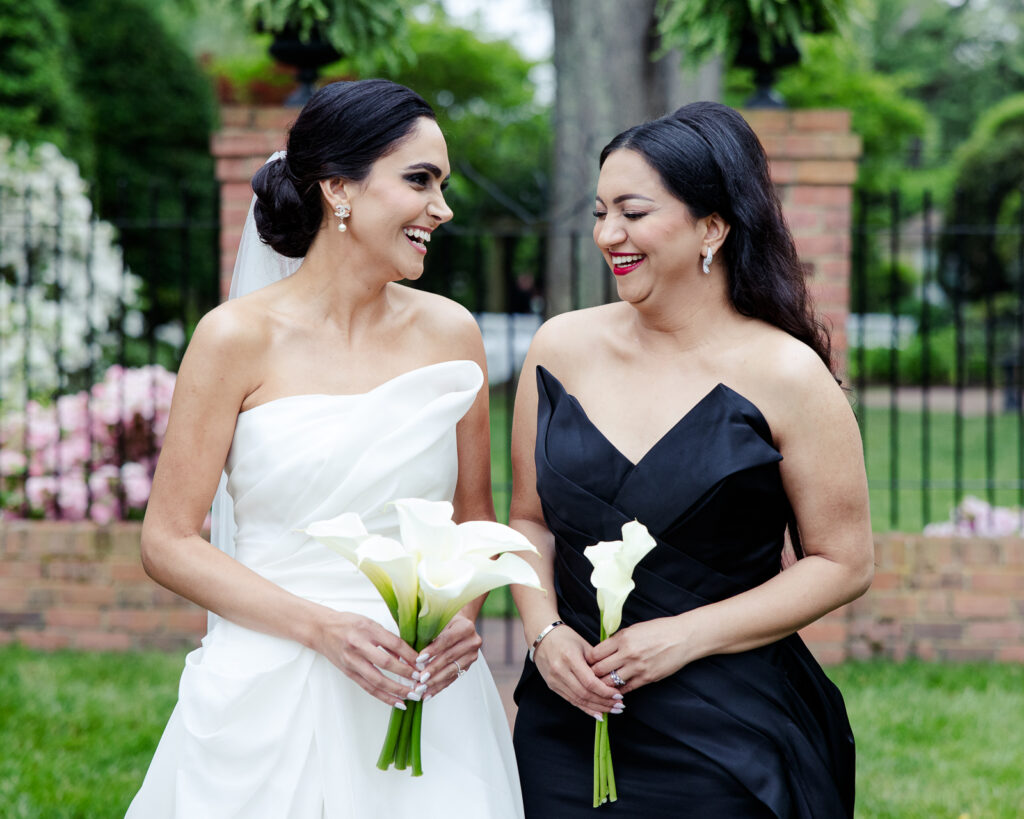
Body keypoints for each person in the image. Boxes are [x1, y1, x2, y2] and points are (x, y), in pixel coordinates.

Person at [127, 79, 523, 818]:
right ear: (338, 188)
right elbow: (168, 539)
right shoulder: (233, 338)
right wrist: (322, 628)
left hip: (424, 690)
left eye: (442, 184)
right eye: (420, 180)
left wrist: (460, 621)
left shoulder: (452, 335)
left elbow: (475, 521)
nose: (442, 208)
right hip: (270, 680)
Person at [509, 102, 874, 818]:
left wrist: (683, 636)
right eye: (600, 211)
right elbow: (528, 518)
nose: (608, 234)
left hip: (725, 729)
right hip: (566, 722)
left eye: (634, 212)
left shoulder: (788, 374)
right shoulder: (559, 347)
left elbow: (844, 561)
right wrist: (545, 633)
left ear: (713, 226)